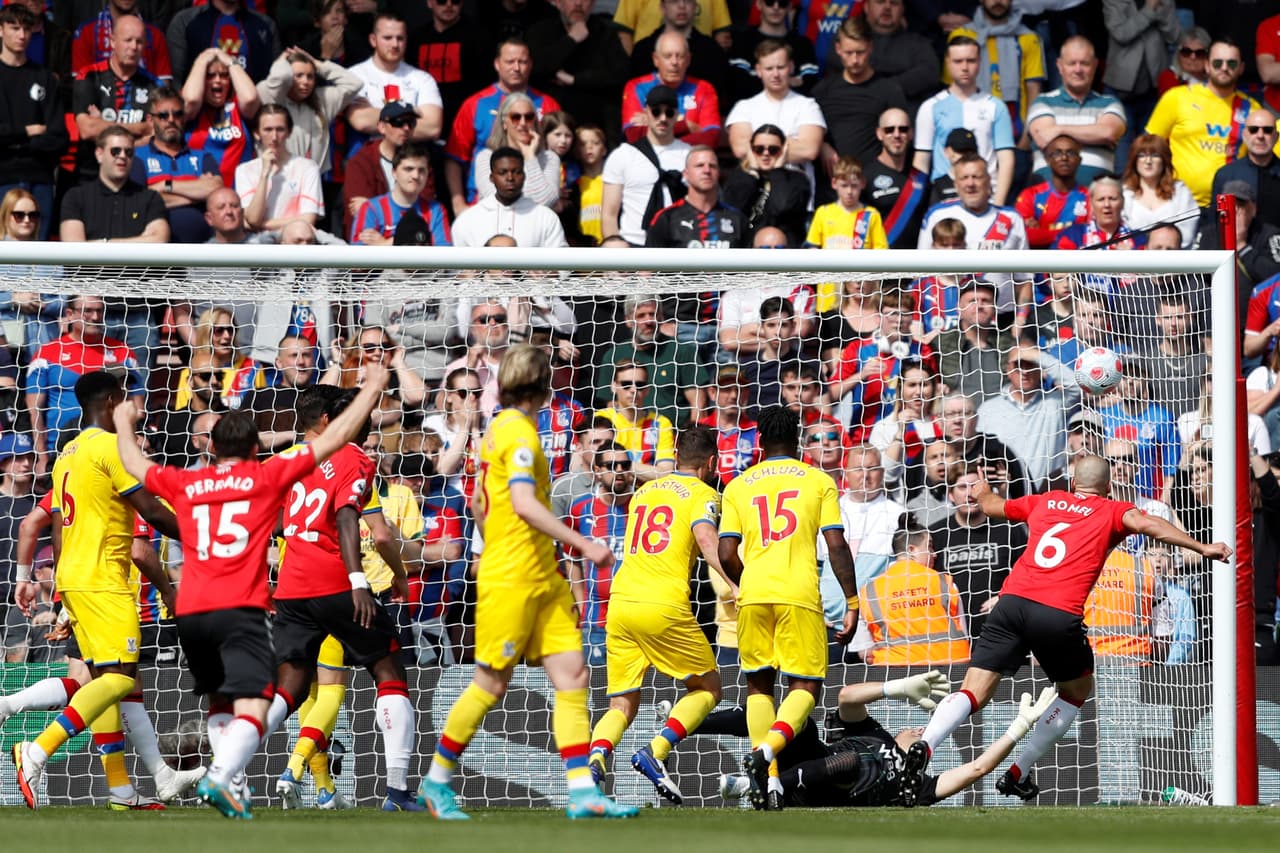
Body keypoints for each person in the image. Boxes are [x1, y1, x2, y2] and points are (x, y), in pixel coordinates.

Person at [113, 367, 389, 818]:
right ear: (256, 448)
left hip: (192, 612)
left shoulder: (189, 482)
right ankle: (222, 778)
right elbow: (334, 438)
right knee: (257, 702)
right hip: (240, 608)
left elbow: (134, 464)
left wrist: (125, 423)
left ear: (213, 448)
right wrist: (373, 389)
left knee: (220, 701)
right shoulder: (266, 477)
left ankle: (235, 788)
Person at [901, 455, 1232, 804]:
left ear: (1072, 483)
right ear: (1108, 488)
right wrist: (1202, 546)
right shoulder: (1113, 510)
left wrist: (982, 492)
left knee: (973, 692)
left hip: (1010, 603)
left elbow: (995, 506)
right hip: (1057, 613)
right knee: (1075, 691)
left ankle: (928, 743)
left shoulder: (1045, 500)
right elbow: (1150, 525)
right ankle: (1019, 771)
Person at [418, 344, 638, 820]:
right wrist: (582, 544)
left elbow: (479, 503)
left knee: (573, 675)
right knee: (491, 684)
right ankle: (435, 782)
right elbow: (521, 501)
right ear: (544, 385)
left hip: (541, 574)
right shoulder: (517, 433)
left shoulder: (498, 429)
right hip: (514, 577)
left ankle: (582, 794)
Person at [10, 371, 182, 811]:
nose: (132, 407)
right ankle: (36, 751)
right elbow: (151, 513)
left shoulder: (67, 453)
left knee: (106, 680)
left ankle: (122, 790)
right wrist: (204, 535)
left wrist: (60, 587)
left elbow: (53, 523)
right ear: (110, 402)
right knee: (121, 678)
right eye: (127, 400)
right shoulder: (110, 447)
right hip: (104, 580)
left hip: (76, 577)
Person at [261, 385, 416, 812]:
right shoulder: (354, 458)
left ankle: (231, 767)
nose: (366, 423)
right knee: (388, 672)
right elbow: (378, 533)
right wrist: (368, 579)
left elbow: (267, 524)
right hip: (336, 584)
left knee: (290, 687)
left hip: (290, 588)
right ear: (330, 420)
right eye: (357, 415)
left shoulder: (284, 460)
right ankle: (399, 792)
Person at [718, 404, 857, 810]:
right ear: (797, 439)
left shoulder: (739, 485)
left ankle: (773, 781)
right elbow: (835, 545)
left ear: (759, 441)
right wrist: (851, 601)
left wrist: (751, 582)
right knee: (806, 686)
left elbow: (727, 552)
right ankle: (766, 755)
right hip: (798, 594)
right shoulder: (817, 480)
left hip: (753, 596)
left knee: (759, 686)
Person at [585, 425, 729, 803]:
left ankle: (597, 753)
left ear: (677, 457)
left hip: (619, 603)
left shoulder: (644, 492)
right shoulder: (704, 493)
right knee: (709, 688)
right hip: (662, 603)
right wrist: (739, 581)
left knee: (621, 703)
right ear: (711, 462)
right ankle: (656, 751)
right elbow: (706, 542)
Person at [711, 672, 1057, 808]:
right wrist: (897, 688)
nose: (921, 731)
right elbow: (847, 698)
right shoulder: (873, 734)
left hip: (813, 792)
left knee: (851, 763)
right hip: (804, 762)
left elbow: (977, 768)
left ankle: (751, 784)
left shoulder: (916, 785)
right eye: (919, 728)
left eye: (924, 733)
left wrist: (1019, 727)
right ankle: (691, 723)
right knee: (794, 715)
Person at [1145, 39, 1272, 208]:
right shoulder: (1176, 98)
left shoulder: (1252, 110)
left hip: (1229, 206)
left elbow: (1268, 154)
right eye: (1218, 63)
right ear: (1206, 65)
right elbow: (1148, 146)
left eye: (1231, 63)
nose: (1224, 68)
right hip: (1177, 202)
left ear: (1241, 68)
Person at [26, 295, 145, 469]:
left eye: (99, 311)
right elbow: (34, 410)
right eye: (87, 311)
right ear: (69, 314)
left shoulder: (123, 352)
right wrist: (42, 456)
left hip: (111, 448)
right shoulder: (46, 354)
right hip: (61, 449)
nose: (95, 317)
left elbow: (137, 408)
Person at [442, 37, 561, 211]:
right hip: (483, 200)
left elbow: (557, 156)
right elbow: (455, 157)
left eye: (522, 61)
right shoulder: (475, 104)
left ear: (531, 64)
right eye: (510, 61)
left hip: (537, 202)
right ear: (497, 64)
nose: (517, 67)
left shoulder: (548, 104)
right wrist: (458, 203)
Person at [914, 35, 1016, 207]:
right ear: (947, 62)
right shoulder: (930, 107)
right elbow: (921, 161)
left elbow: (1006, 159)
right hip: (943, 199)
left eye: (970, 60)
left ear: (979, 62)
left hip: (987, 199)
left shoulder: (995, 106)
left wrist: (998, 204)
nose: (965, 67)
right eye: (958, 61)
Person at [0, 3, 68, 239]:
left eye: (27, 29)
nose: (21, 35)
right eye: (14, 27)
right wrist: (28, 131)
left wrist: (13, 141)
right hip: (3, 177)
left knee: (39, 259)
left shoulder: (44, 78)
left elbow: (59, 138)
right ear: (0, 30)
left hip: (40, 177)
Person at [860, 522, 970, 666]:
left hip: (893, 673)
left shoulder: (868, 591)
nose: (935, 554)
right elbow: (964, 633)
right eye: (929, 546)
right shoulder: (944, 582)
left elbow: (863, 651)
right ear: (911, 550)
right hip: (952, 669)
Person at [724, 41, 826, 191]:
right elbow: (740, 148)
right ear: (758, 70)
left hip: (796, 195)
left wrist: (759, 149)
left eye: (781, 67)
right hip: (754, 196)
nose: (775, 74)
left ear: (791, 67)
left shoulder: (808, 106)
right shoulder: (744, 107)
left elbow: (810, 150)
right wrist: (788, 143)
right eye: (769, 68)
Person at [1026, 36, 1126, 185]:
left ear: (1095, 65)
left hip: (1098, 201)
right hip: (1048, 199)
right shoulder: (1042, 102)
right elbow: (1043, 137)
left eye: (1084, 63)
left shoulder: (1110, 103)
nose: (1078, 70)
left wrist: (1059, 129)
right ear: (1060, 66)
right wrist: (1093, 133)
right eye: (1072, 63)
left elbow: (1108, 133)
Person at [72, 13, 159, 182]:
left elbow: (156, 135)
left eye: (139, 41)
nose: (134, 47)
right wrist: (140, 128)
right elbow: (87, 130)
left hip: (135, 176)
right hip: (90, 174)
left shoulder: (154, 85)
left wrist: (103, 126)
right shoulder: (89, 77)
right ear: (112, 42)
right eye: (128, 40)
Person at [600, 85, 691, 246]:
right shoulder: (623, 155)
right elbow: (609, 214)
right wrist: (615, 252)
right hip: (634, 245)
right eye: (656, 111)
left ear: (677, 115)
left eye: (669, 112)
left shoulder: (690, 155)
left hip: (681, 246)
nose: (663, 118)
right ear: (646, 112)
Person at [812, 15, 908, 167]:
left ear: (870, 47)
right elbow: (809, 132)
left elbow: (902, 135)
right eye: (849, 53)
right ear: (838, 49)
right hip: (833, 180)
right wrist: (822, 145)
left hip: (875, 181)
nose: (855, 60)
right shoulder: (822, 91)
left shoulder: (889, 90)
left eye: (860, 52)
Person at [130, 85, 222, 244]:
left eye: (178, 114)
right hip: (156, 253)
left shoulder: (203, 156)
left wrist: (165, 185)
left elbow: (216, 190)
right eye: (163, 115)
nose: (171, 120)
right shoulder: (137, 157)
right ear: (151, 120)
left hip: (203, 249)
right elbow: (139, 202)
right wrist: (198, 195)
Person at [525, 0, 629, 137]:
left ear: (592, 4)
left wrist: (575, 80)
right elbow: (533, 68)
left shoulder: (605, 33)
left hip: (594, 128)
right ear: (558, 3)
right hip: (550, 124)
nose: (578, 3)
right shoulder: (540, 31)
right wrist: (571, 39)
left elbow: (620, 74)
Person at [805, 155, 888, 312]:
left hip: (859, 298)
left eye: (854, 186)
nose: (849, 191)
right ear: (834, 183)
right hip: (827, 295)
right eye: (844, 185)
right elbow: (812, 248)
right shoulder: (823, 213)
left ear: (862, 184)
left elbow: (881, 253)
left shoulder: (870, 215)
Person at [345, 12, 443, 143]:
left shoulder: (423, 79)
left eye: (400, 38)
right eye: (388, 38)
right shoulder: (354, 75)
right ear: (373, 40)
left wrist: (377, 115)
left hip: (411, 159)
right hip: (369, 158)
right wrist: (412, 112)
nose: (395, 44)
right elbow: (361, 121)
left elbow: (432, 128)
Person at [450, 146, 568, 248]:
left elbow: (564, 266)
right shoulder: (468, 220)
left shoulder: (545, 217)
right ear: (492, 178)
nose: (510, 178)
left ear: (524, 176)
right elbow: (454, 269)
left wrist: (548, 272)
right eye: (502, 172)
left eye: (516, 172)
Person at [620, 31, 720, 148]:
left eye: (680, 56)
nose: (674, 62)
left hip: (689, 161)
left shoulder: (704, 89)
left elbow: (710, 139)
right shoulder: (636, 87)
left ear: (688, 60)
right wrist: (686, 126)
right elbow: (634, 135)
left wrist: (655, 124)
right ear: (656, 59)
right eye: (668, 56)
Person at [180, 47, 262, 187]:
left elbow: (250, 98)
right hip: (201, 194)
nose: (217, 81)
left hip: (240, 194)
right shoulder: (192, 111)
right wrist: (201, 61)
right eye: (210, 76)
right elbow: (191, 99)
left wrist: (230, 61)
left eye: (224, 75)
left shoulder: (238, 106)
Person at [350, 142, 451, 245]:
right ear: (394, 172)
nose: (415, 175)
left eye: (421, 170)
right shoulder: (370, 209)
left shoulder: (436, 211)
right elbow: (357, 254)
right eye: (409, 169)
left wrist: (386, 244)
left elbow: (444, 254)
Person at [473, 92, 561, 209]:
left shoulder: (549, 158)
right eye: (516, 117)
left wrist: (530, 157)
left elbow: (546, 201)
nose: (523, 123)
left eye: (529, 117)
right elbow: (499, 199)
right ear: (504, 123)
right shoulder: (486, 158)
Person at [862, 107, 928, 250]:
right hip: (878, 263)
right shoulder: (865, 176)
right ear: (879, 134)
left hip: (915, 265)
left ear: (911, 133)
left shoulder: (921, 179)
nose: (896, 135)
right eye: (889, 130)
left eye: (903, 129)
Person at [1119, 133, 1199, 248]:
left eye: (1155, 155)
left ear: (1164, 160)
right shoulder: (1125, 193)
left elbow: (1187, 235)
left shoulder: (1180, 192)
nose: (1148, 161)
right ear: (1134, 160)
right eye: (1141, 155)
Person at [1209, 108, 1280, 230]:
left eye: (1267, 130)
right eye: (1253, 130)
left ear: (1276, 136)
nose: (1260, 135)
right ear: (1244, 134)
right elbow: (1214, 224)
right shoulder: (1226, 175)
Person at [1015, 134, 1090, 249]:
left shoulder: (1089, 196)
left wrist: (1042, 231)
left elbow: (1092, 234)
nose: (1064, 158)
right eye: (1057, 153)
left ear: (1079, 160)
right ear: (1048, 160)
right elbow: (1024, 235)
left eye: (1070, 153)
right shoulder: (1030, 195)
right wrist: (1075, 232)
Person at [1051, 174, 1147, 252]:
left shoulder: (1138, 239)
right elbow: (1050, 272)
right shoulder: (1073, 235)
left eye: (1113, 199)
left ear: (1122, 202)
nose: (1107, 204)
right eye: (1101, 199)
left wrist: (1133, 261)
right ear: (1091, 204)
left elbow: (1151, 273)